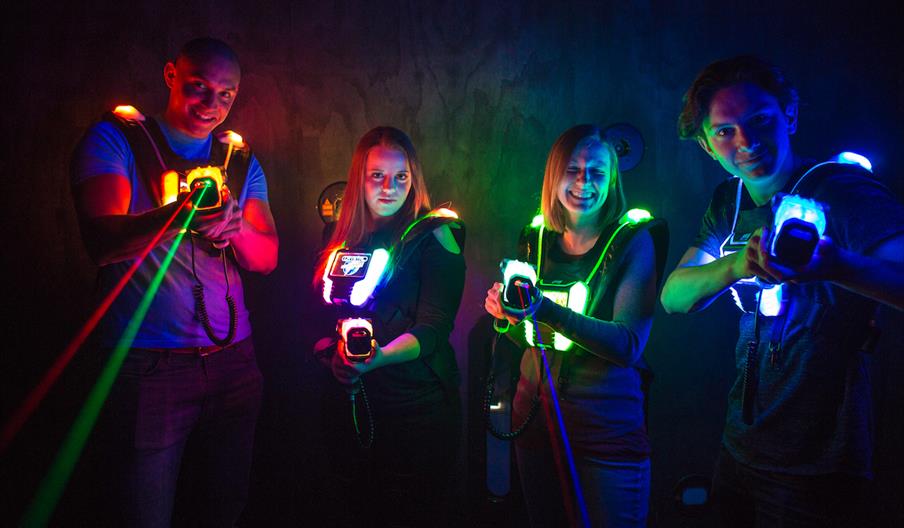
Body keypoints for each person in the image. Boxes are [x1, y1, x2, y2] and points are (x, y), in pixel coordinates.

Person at [661, 55, 904, 527]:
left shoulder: (841, 189)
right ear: (707, 146)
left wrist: (835, 265)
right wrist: (737, 263)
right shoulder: (727, 202)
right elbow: (674, 298)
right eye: (724, 131)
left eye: (759, 121)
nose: (746, 142)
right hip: (740, 446)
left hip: (819, 465)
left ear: (789, 115)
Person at [70, 37, 278, 526]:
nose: (211, 105)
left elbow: (266, 258)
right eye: (199, 87)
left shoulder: (240, 160)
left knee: (223, 507)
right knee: (142, 512)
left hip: (233, 361)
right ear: (170, 75)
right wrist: (177, 216)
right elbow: (102, 242)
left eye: (226, 95)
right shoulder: (117, 139)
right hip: (148, 364)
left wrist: (234, 227)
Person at [484, 124, 669, 527]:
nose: (584, 181)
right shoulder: (536, 239)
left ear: (612, 180)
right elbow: (530, 337)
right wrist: (505, 317)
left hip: (605, 433)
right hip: (533, 424)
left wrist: (545, 308)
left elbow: (627, 345)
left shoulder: (632, 241)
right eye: (573, 169)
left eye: (597, 172)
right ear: (554, 175)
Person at [313, 126, 466, 527]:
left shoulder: (434, 234)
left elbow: (434, 327)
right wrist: (334, 357)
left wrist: (377, 359)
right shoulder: (340, 236)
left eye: (401, 177)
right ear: (359, 179)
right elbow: (324, 316)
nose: (389, 187)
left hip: (418, 406)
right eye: (377, 176)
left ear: (414, 180)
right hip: (354, 403)